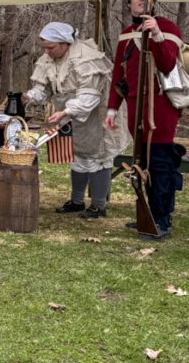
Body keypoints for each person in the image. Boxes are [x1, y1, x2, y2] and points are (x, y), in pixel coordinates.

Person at [105, 0, 185, 240]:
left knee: (160, 163)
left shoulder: (167, 27)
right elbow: (119, 73)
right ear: (129, 3)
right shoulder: (127, 34)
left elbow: (167, 64)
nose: (141, 0)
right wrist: (112, 109)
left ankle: (162, 219)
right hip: (135, 107)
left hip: (159, 108)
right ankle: (149, 212)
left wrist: (157, 35)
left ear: (154, 0)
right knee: (141, 163)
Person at [23, 21, 119, 218]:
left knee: (97, 156)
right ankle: (77, 201)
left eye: (51, 47)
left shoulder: (85, 58)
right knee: (77, 156)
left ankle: (98, 206)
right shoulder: (48, 58)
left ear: (65, 43)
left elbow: (90, 97)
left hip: (94, 113)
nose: (47, 52)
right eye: (44, 48)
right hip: (67, 113)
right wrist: (30, 96)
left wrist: (66, 111)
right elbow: (44, 88)